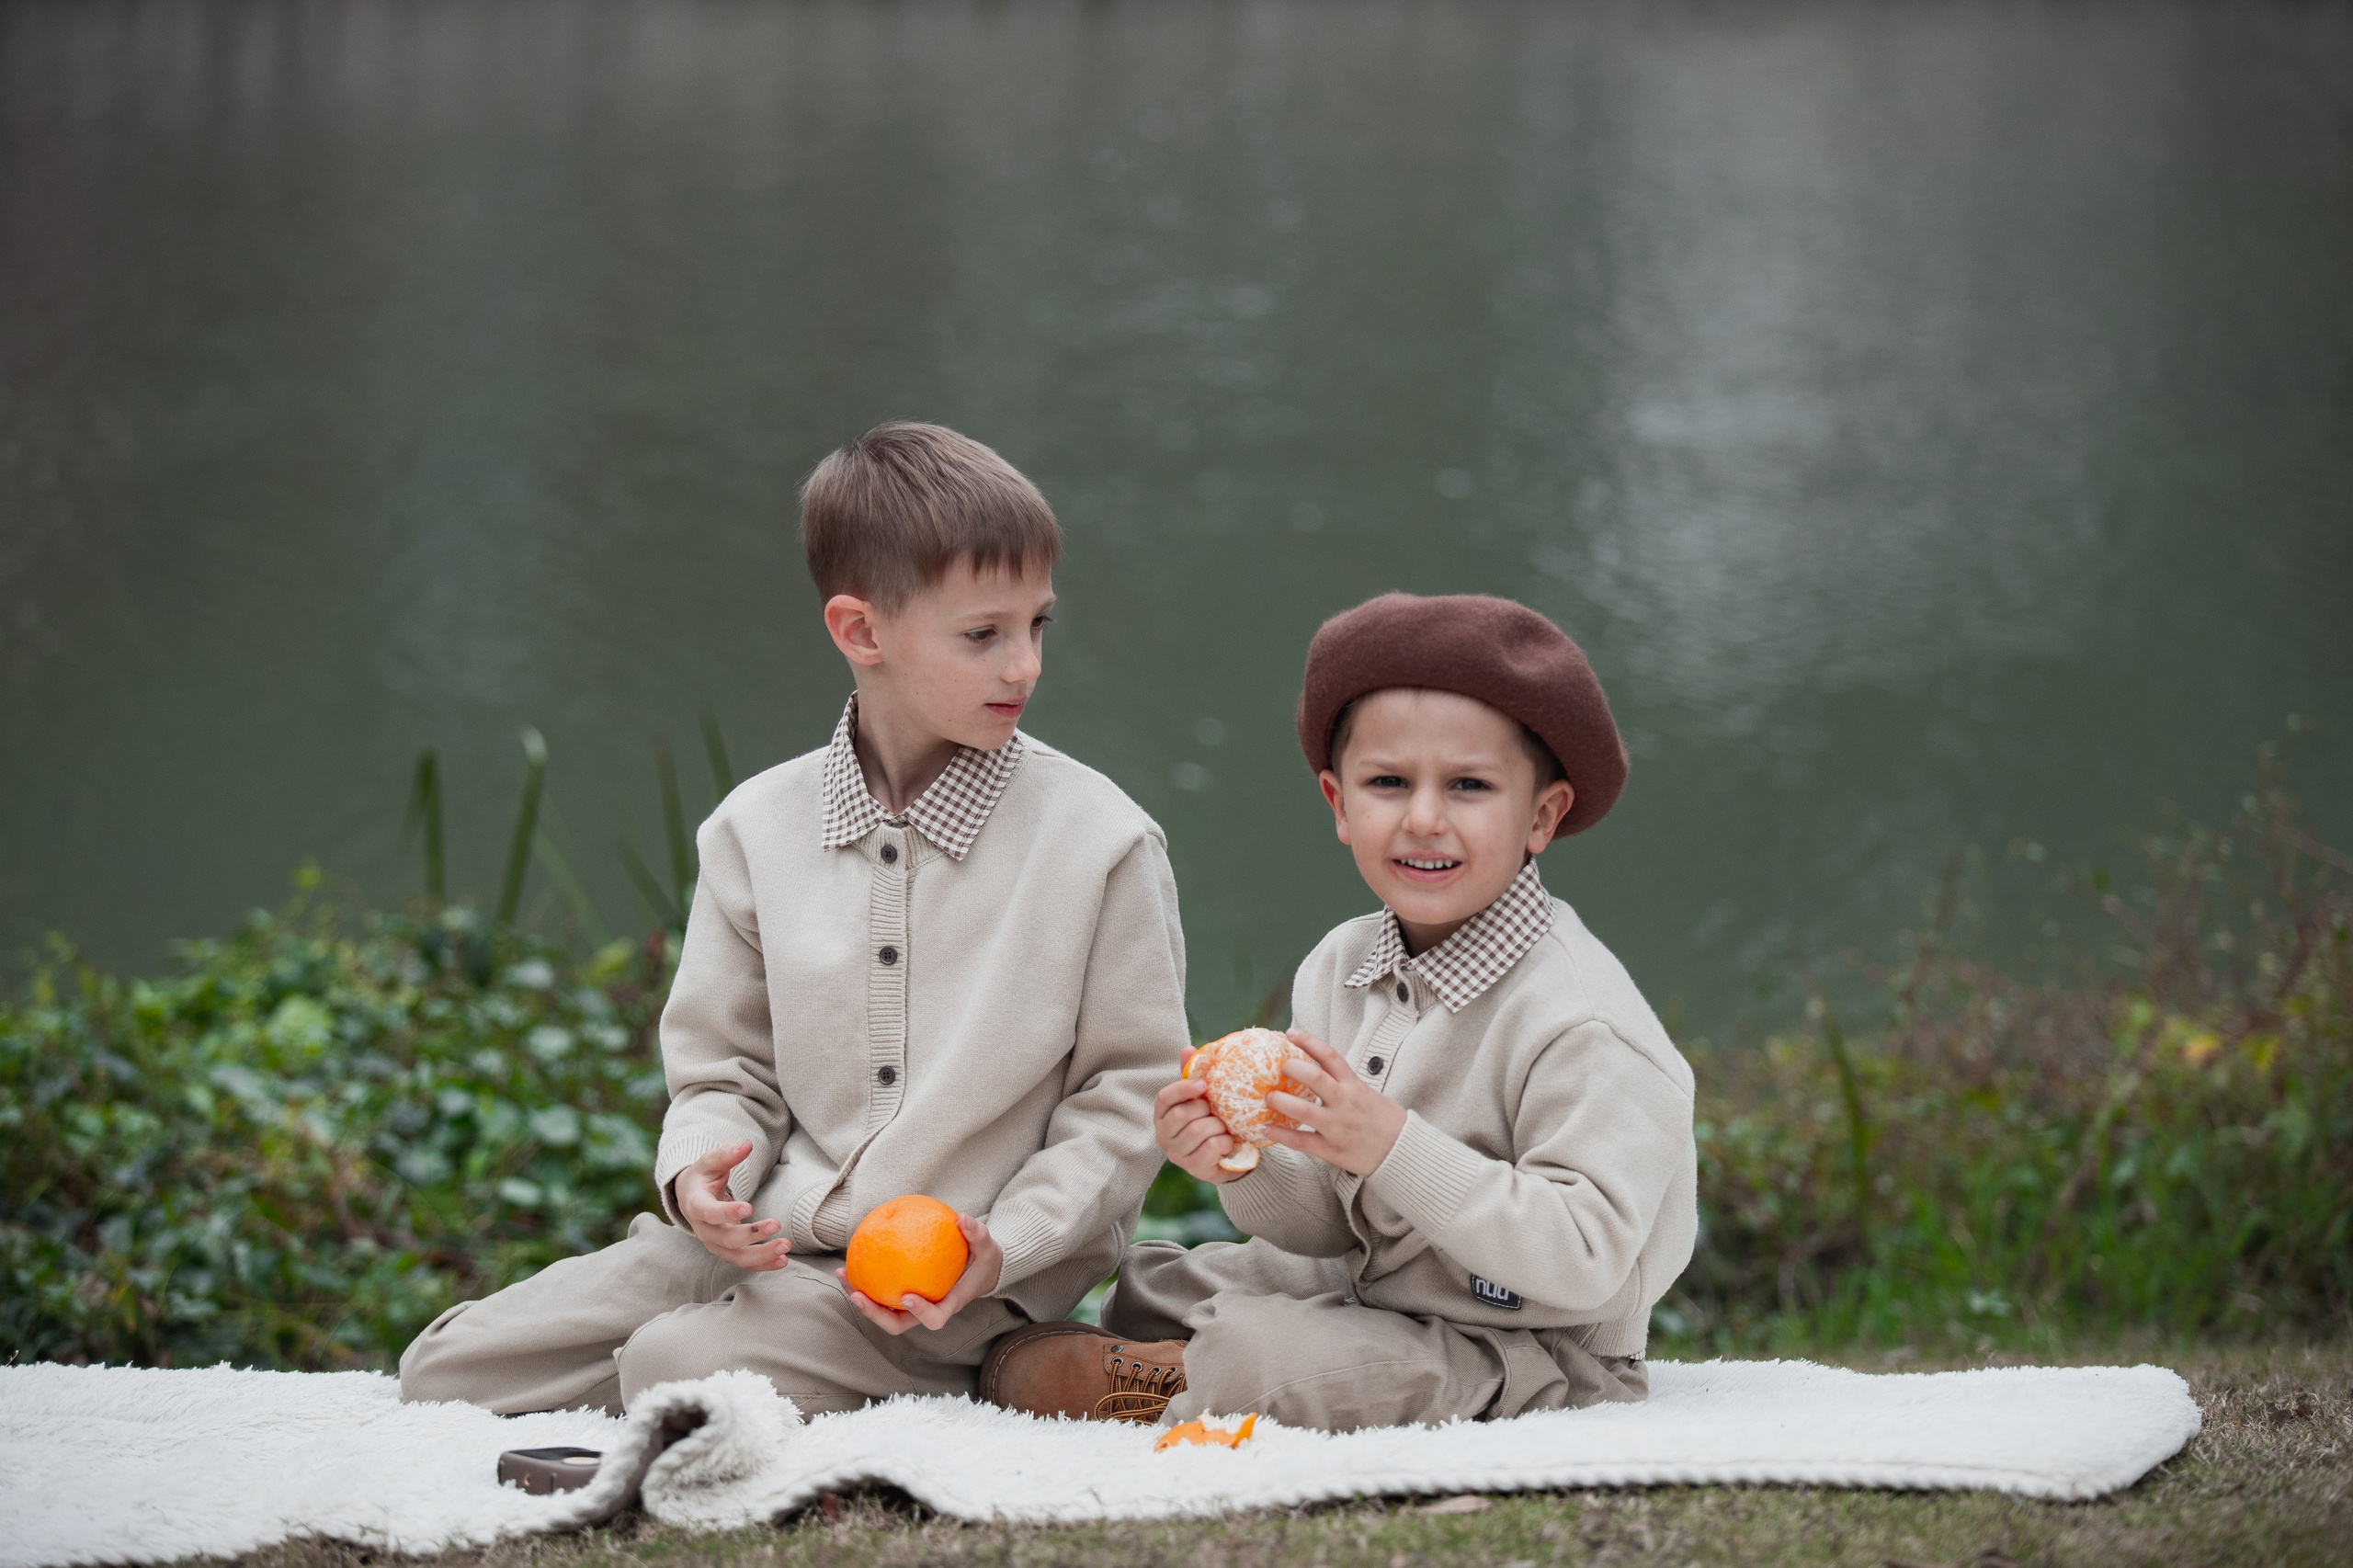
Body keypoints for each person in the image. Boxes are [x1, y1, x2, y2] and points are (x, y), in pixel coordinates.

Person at [399, 423, 1189, 1416]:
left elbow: (1128, 1094)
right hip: (769, 1245)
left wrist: (1005, 1246)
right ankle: (744, 1334)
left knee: (674, 1367)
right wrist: (699, 1177)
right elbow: (724, 1068)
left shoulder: (1104, 842)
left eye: (1038, 624)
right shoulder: (752, 829)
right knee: (448, 1368)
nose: (1023, 665)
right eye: (983, 634)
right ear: (861, 631)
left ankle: (1009, 1355)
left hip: (960, 1285)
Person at [979, 592, 1697, 1431]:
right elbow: (1326, 1219)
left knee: (1258, 1359)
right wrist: (1239, 1160)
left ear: (1541, 815)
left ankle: (1181, 1381)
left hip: (1532, 1340)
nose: (1424, 818)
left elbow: (1584, 1260)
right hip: (1373, 1285)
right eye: (1388, 783)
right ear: (1339, 804)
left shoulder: (1580, 1023)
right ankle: (1189, 1352)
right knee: (1154, 1282)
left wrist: (1393, 1146)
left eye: (1469, 786)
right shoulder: (1343, 966)